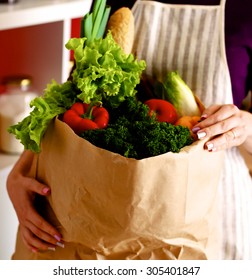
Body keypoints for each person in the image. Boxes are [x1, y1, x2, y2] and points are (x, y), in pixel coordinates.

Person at [7, 0, 252, 259]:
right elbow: (77, 100)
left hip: (207, 212)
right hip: (108, 211)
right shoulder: (117, 1)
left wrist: (245, 126)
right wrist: (22, 169)